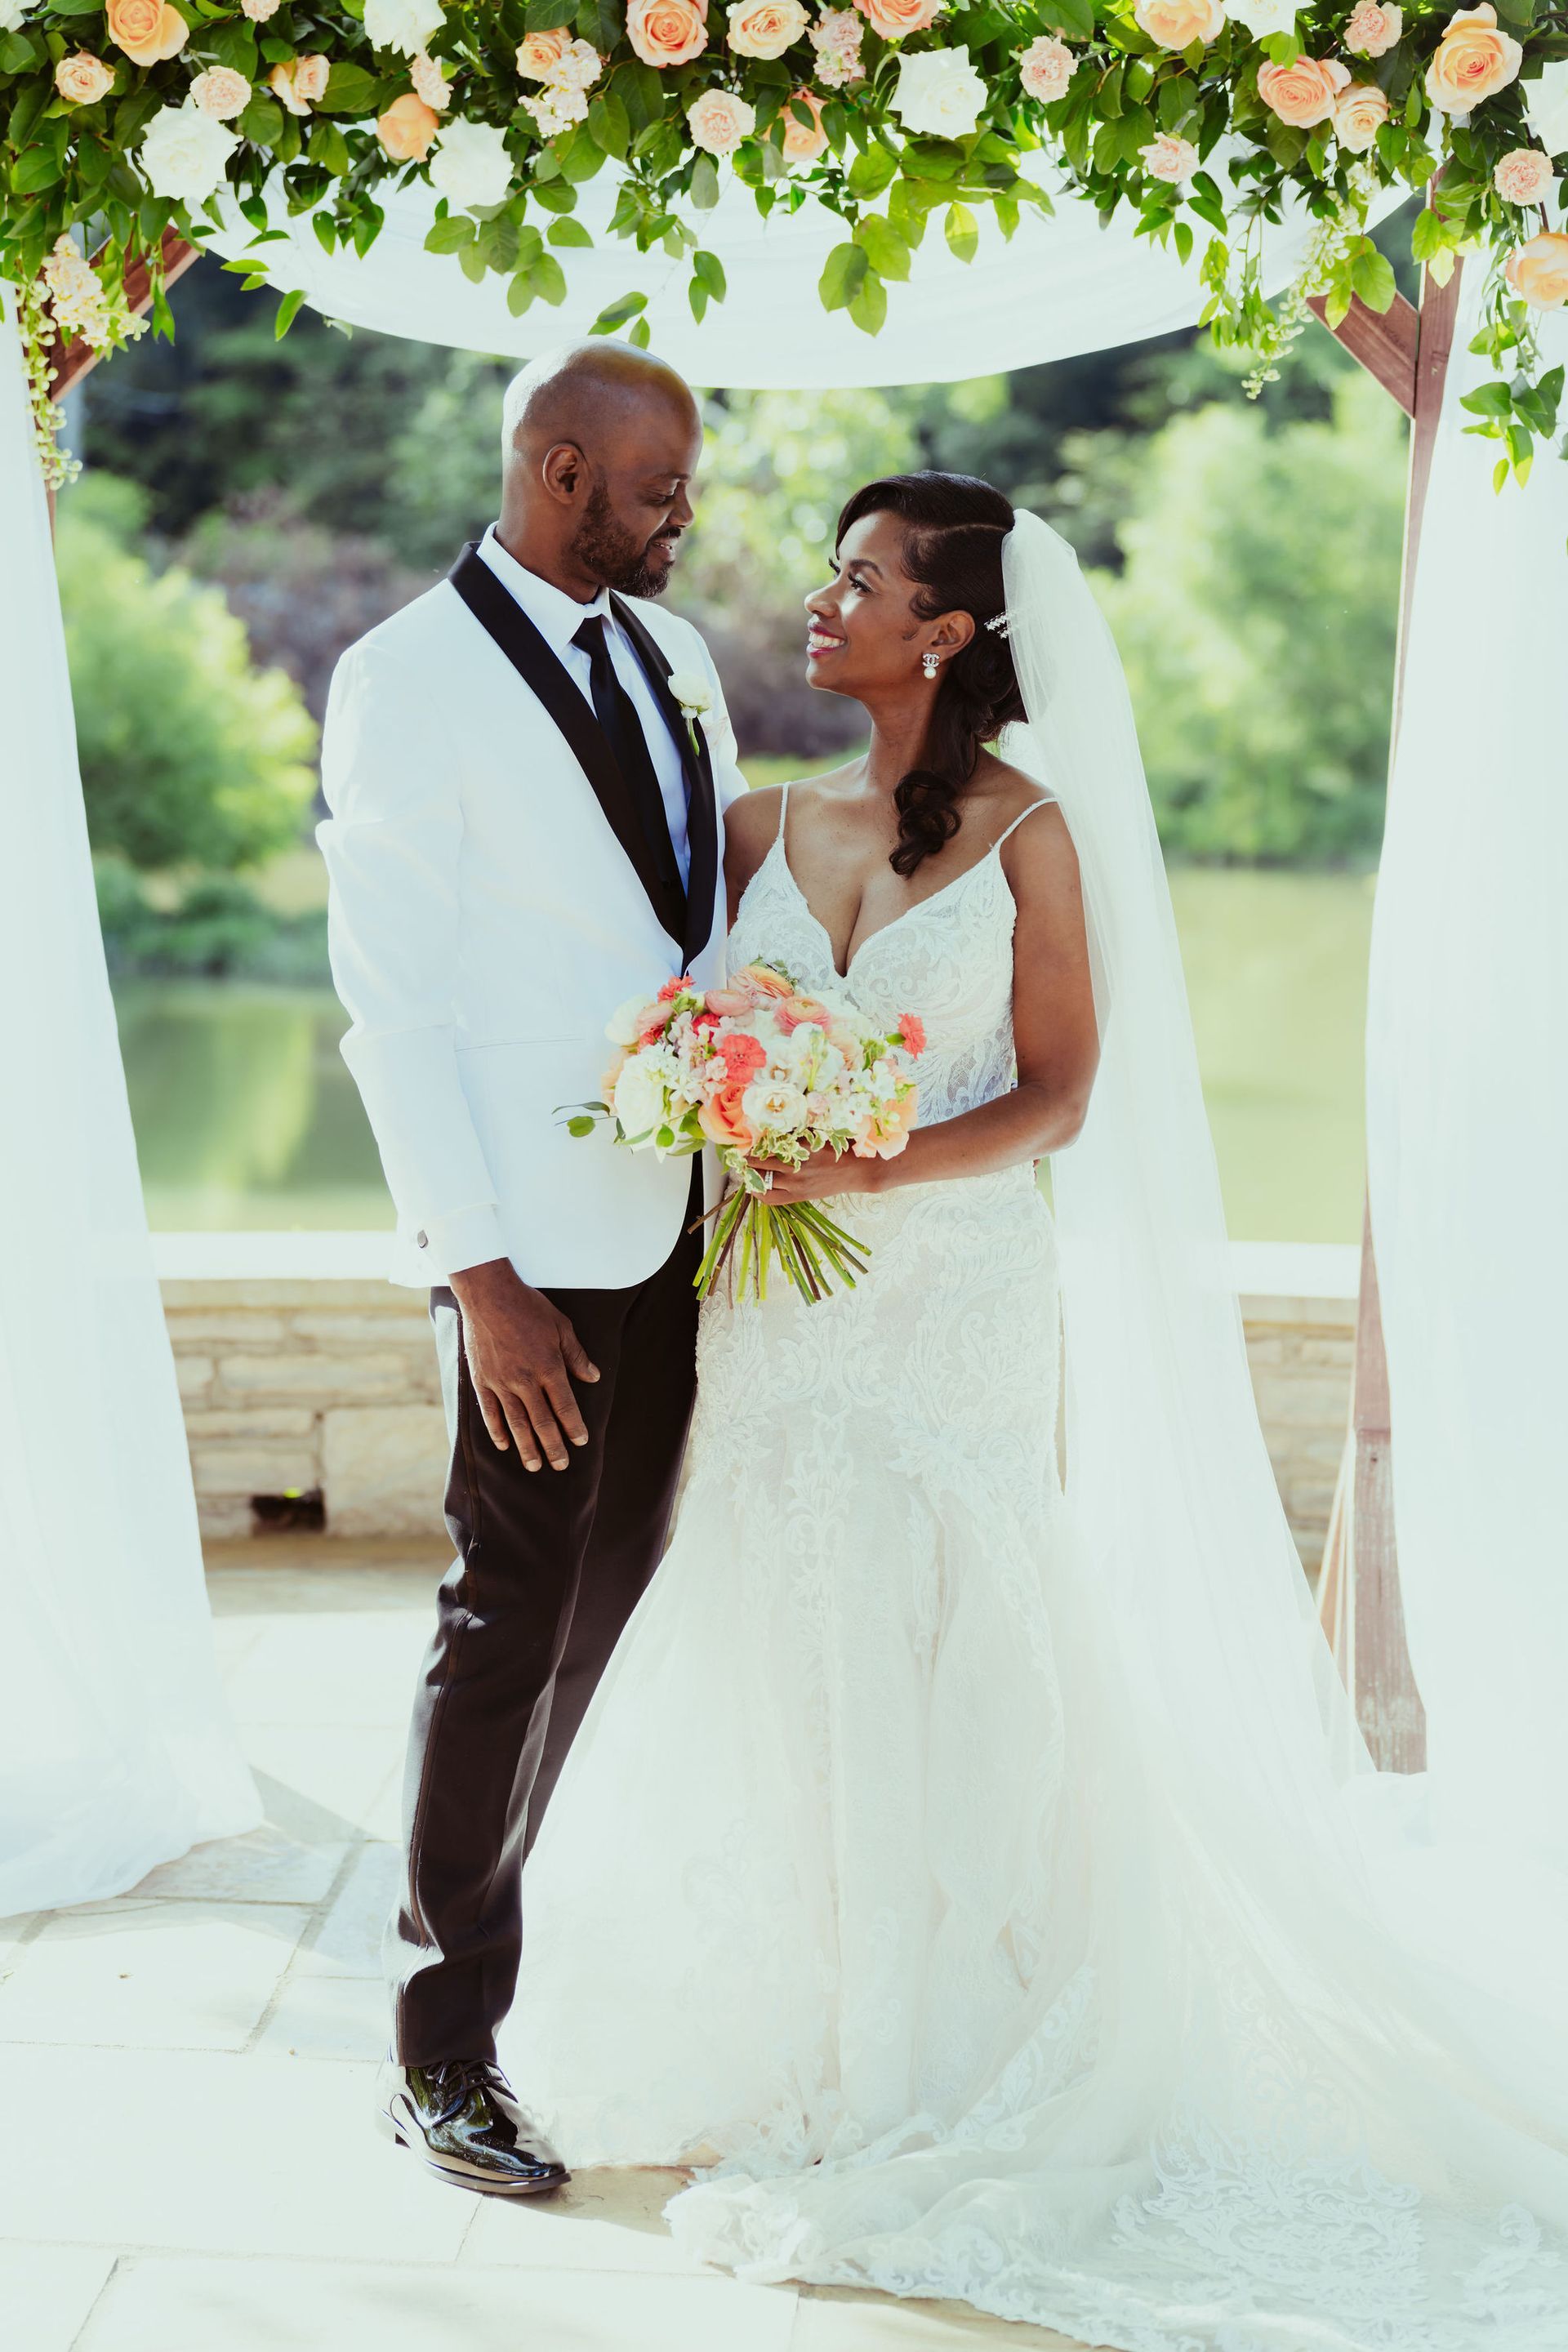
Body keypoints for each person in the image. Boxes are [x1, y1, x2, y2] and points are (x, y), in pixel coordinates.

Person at [501, 474, 1568, 2347]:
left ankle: (952, 2028)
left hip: (945, 1312)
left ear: (953, 631)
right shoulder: (759, 822)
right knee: (779, 1633)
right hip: (777, 1323)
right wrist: (719, 1104)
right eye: (830, 575)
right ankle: (800, 2020)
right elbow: (668, 1044)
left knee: (942, 1637)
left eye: (864, 581)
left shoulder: (1029, 839)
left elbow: (1062, 1095)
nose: (822, 602)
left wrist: (871, 1166)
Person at [318, 341, 746, 2194]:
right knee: (505, 1617)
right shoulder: (403, 679)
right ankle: (442, 2047)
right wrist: (476, 1275)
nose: (686, 517)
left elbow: (695, 933)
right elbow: (392, 1004)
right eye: (662, 488)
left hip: (680, 1223)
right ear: (562, 468)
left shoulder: (676, 662)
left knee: (612, 1591)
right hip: (525, 1255)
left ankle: (512, 1942)